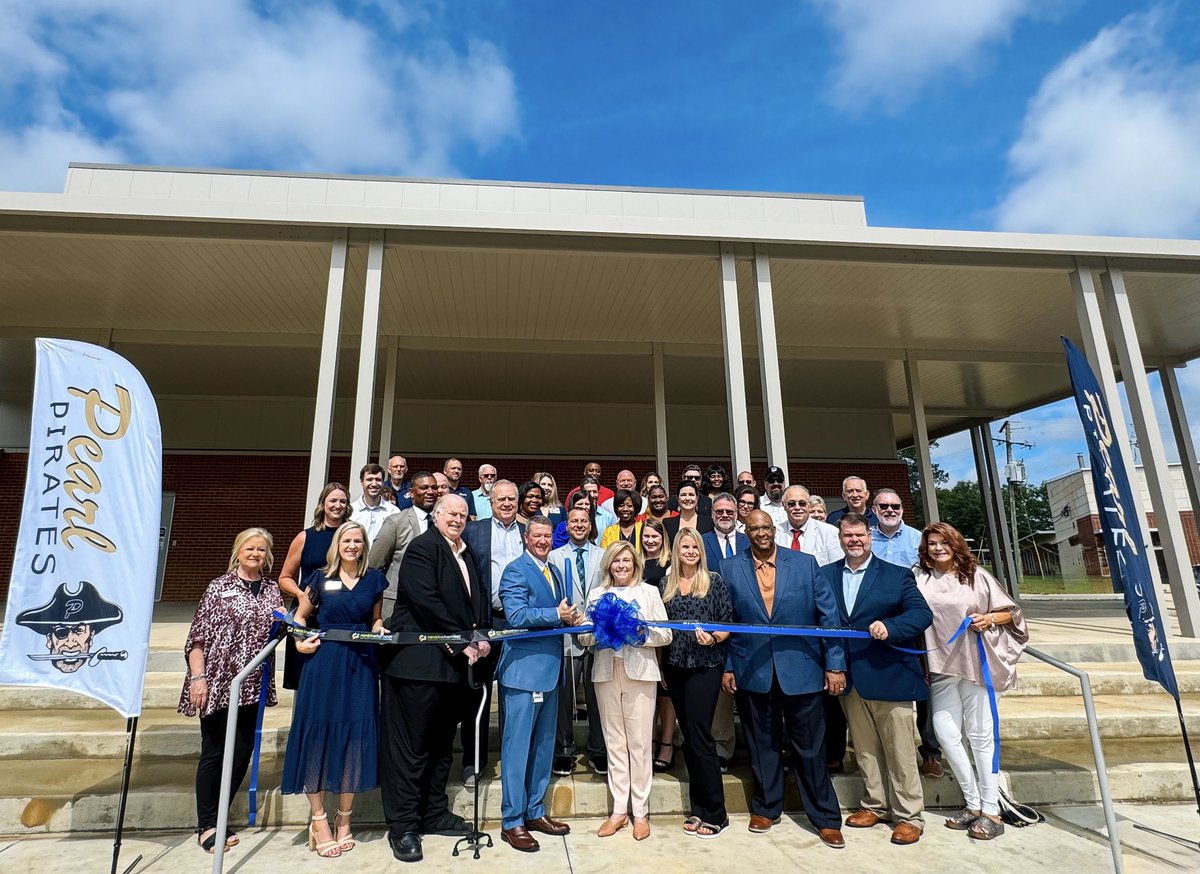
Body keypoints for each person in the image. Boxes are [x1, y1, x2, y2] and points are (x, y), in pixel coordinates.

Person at [379, 494, 495, 863]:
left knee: (442, 745)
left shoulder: (467, 553)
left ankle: (433, 812)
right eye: (451, 513)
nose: (458, 519)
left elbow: (476, 602)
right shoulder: (421, 548)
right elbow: (426, 601)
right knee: (411, 750)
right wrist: (462, 642)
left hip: (453, 670)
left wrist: (480, 638)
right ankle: (403, 827)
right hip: (419, 667)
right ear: (436, 515)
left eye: (463, 514)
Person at [721, 509, 846, 848]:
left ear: (772, 529)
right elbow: (726, 622)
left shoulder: (805, 564)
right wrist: (729, 666)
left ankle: (825, 817)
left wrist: (834, 665)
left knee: (810, 747)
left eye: (765, 527)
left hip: (802, 670)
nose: (760, 533)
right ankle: (766, 807)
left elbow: (828, 617)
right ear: (745, 532)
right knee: (762, 745)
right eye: (753, 529)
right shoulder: (731, 568)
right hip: (753, 670)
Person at [823, 514, 932, 846]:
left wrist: (891, 627)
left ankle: (909, 815)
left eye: (859, 535)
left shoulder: (897, 575)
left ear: (869, 536)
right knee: (865, 748)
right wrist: (834, 666)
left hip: (890, 675)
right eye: (847, 535)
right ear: (839, 538)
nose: (853, 540)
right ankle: (875, 805)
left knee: (899, 749)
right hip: (850, 678)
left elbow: (920, 614)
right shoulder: (826, 576)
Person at [915, 522, 1028, 841]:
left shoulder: (976, 575)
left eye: (943, 542)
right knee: (946, 733)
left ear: (955, 544)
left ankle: (991, 810)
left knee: (981, 736)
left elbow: (1011, 612)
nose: (937, 548)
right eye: (932, 543)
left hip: (976, 666)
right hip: (939, 667)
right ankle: (973, 803)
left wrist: (989, 618)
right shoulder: (921, 576)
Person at [281, 520, 387, 858]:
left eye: (358, 541)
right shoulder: (319, 578)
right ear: (337, 545)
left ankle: (345, 819)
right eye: (347, 540)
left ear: (364, 545)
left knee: (355, 740)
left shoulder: (374, 579)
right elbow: (299, 619)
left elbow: (375, 619)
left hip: (361, 667)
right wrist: (299, 643)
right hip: (324, 666)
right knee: (318, 738)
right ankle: (319, 819)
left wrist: (380, 626)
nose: (352, 546)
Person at [178, 528, 283, 854]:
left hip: (252, 686)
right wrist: (198, 678)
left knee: (240, 754)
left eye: (261, 550)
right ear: (238, 551)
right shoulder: (218, 588)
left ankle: (219, 816)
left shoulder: (271, 590)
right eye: (250, 548)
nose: (255, 554)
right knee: (214, 752)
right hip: (217, 683)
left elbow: (284, 627)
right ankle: (206, 825)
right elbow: (196, 638)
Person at [495, 517, 583, 852]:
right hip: (523, 672)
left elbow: (558, 612)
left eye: (548, 536)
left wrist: (571, 617)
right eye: (537, 536)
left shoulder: (556, 572)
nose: (543, 541)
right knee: (517, 749)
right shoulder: (515, 571)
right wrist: (555, 614)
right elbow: (515, 616)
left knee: (544, 746)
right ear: (525, 537)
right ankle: (512, 821)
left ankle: (535, 811)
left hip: (551, 671)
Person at [579, 542, 672, 840]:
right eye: (616, 560)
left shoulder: (649, 592)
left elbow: (666, 633)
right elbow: (583, 638)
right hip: (607, 672)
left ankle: (640, 812)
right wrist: (596, 632)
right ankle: (619, 810)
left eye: (626, 560)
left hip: (640, 672)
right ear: (608, 565)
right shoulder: (596, 594)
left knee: (640, 742)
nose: (621, 565)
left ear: (635, 564)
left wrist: (638, 632)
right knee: (614, 741)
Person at [661, 527, 733, 838]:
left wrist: (713, 637)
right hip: (676, 666)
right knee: (689, 737)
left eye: (695, 547)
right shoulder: (666, 583)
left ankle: (717, 812)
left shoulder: (713, 581)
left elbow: (728, 623)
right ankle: (698, 809)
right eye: (685, 546)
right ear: (676, 550)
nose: (690, 551)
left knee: (701, 735)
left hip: (706, 666)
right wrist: (662, 667)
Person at [868, 488, 943, 778]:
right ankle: (884, 750)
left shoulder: (918, 540)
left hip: (912, 621)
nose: (890, 510)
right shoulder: (865, 538)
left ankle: (931, 752)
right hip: (875, 622)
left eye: (895, 505)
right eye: (883, 506)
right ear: (873, 509)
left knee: (923, 687)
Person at [460, 479, 524, 786]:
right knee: (479, 694)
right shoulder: (474, 531)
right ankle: (474, 762)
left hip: (522, 625)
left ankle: (518, 759)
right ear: (491, 501)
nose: (508, 503)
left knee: (520, 694)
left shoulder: (529, 532)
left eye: (512, 498)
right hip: (487, 623)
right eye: (502, 499)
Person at [548, 505, 608, 776]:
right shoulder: (553, 557)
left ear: (591, 525)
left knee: (598, 698)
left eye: (584, 521)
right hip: (567, 637)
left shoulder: (604, 555)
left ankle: (598, 751)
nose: (580, 525)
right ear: (567, 525)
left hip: (597, 637)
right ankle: (564, 751)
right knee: (564, 698)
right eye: (574, 521)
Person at [278, 483, 351, 690]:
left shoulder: (352, 538)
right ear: (323, 504)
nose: (338, 505)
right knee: (305, 680)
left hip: (340, 616)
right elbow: (285, 577)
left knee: (335, 681)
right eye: (333, 501)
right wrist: (303, 596)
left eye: (343, 501)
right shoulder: (305, 537)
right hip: (307, 615)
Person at [368, 471, 439, 620]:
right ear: (411, 493)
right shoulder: (395, 522)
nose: (430, 492)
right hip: (398, 606)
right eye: (424, 487)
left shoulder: (443, 523)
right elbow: (375, 565)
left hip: (434, 607)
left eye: (434, 488)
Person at [775, 484, 842, 567]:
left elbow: (837, 568)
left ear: (808, 505)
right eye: (791, 504)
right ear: (784, 506)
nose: (797, 507)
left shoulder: (829, 532)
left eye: (802, 503)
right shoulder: (775, 533)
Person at [350, 462, 400, 542]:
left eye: (378, 480)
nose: (374, 484)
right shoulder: (351, 511)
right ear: (361, 482)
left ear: (383, 482)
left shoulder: (393, 512)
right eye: (369, 479)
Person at [703, 492, 749, 569]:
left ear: (736, 513)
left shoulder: (749, 541)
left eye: (729, 512)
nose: (725, 515)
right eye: (719, 511)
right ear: (712, 513)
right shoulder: (702, 541)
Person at [664, 481, 713, 545]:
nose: (687, 498)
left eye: (691, 495)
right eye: (683, 495)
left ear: (697, 497)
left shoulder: (709, 523)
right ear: (677, 498)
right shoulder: (668, 524)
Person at [639, 517, 671, 590]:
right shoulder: (635, 561)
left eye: (654, 536)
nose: (650, 541)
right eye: (646, 536)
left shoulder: (670, 563)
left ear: (663, 538)